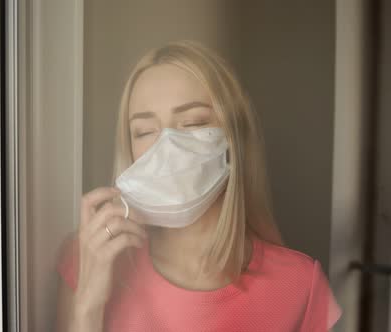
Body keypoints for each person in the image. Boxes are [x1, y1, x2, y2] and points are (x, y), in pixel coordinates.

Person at [55, 40, 342, 332]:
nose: (166, 146)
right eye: (144, 131)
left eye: (192, 123)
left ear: (234, 137)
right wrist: (88, 304)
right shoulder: (91, 257)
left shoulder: (300, 285)